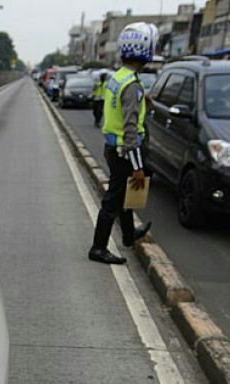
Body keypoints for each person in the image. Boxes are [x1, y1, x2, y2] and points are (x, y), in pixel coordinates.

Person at [88, 23, 157, 264]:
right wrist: (137, 166)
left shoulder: (119, 77)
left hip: (113, 147)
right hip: (125, 150)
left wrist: (143, 98)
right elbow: (129, 128)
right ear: (146, 51)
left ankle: (128, 234)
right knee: (113, 200)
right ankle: (98, 248)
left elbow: (120, 105)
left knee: (127, 193)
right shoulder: (132, 85)